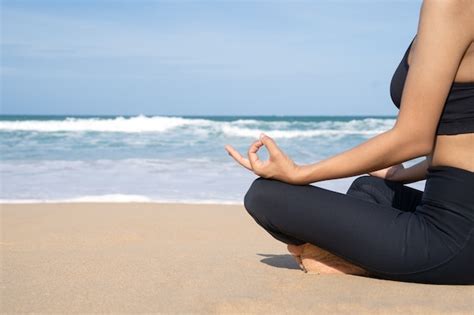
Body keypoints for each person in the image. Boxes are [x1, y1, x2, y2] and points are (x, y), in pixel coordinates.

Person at [224, 0, 474, 285]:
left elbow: (413, 138)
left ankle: (358, 262)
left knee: (265, 196)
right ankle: (369, 257)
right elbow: (461, 131)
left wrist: (298, 172)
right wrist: (401, 175)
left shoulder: (451, 4)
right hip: (456, 209)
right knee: (370, 189)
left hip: (455, 238)